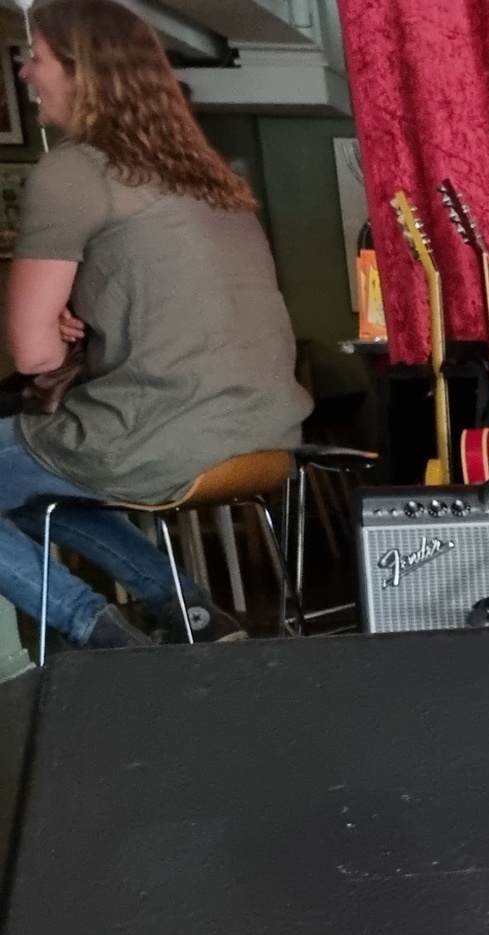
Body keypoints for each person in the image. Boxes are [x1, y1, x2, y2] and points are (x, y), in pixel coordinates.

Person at [0, 0, 309, 649]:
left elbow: (31, 356)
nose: (27, 74)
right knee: (40, 481)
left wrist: (48, 324)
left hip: (167, 437)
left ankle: (98, 629)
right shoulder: (213, 180)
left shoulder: (74, 169)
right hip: (268, 434)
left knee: (33, 454)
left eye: (39, 58)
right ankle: (191, 610)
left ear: (82, 69)